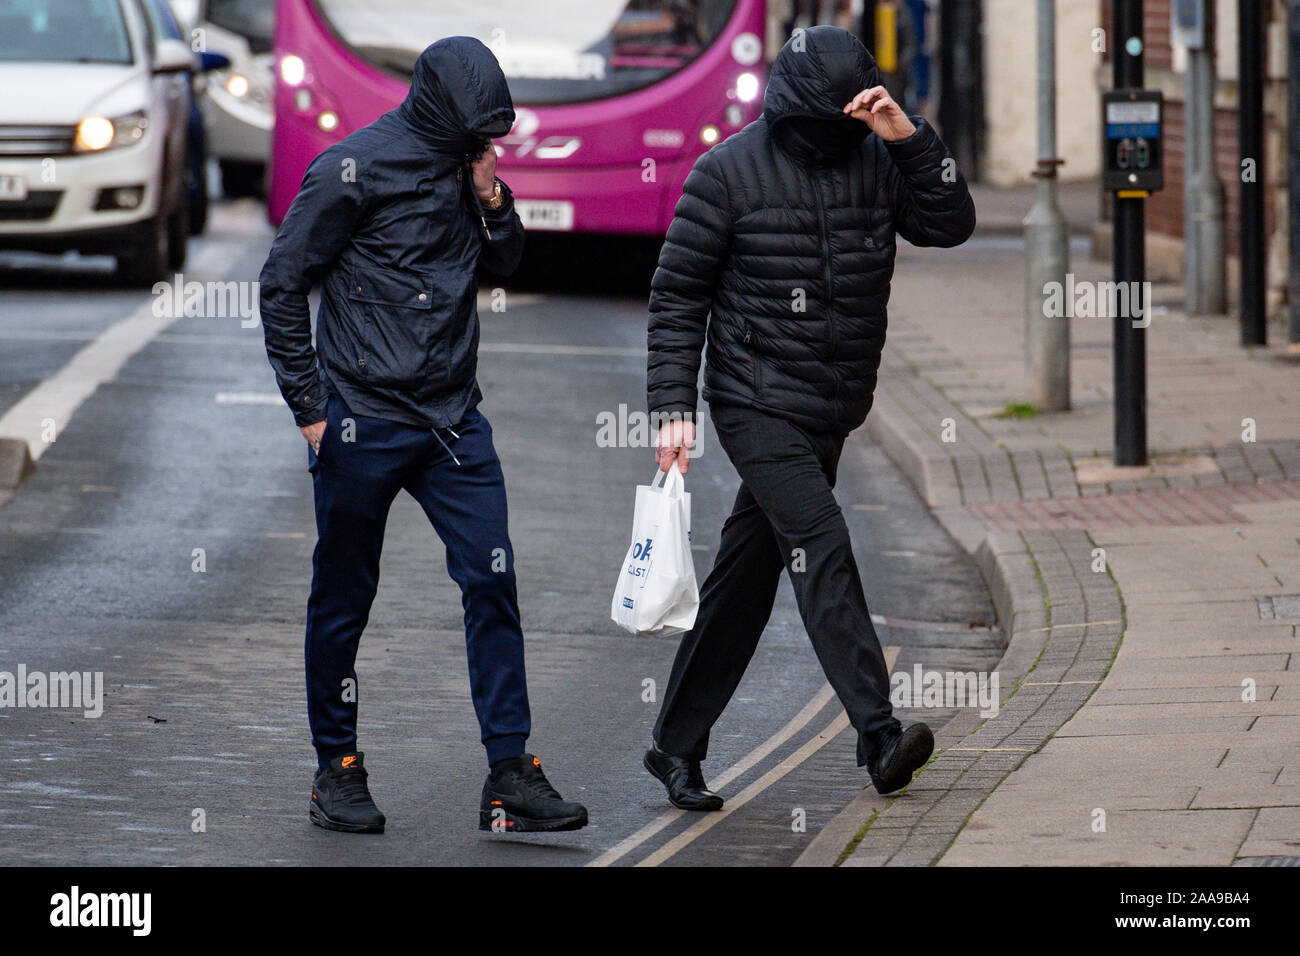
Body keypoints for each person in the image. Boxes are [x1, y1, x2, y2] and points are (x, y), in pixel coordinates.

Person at [258, 37, 587, 834]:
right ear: (439, 105)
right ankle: (336, 769)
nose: (489, 146)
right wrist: (312, 410)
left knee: (492, 581)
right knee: (344, 600)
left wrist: (493, 196)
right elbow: (281, 281)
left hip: (452, 423)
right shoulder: (352, 169)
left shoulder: (470, 162)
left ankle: (509, 771)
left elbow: (507, 264)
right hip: (361, 422)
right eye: (480, 133)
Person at [644, 26, 976, 810]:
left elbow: (950, 222)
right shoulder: (726, 173)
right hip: (756, 400)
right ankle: (879, 735)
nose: (842, 131)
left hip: (833, 404)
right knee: (821, 540)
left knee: (746, 579)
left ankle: (674, 747)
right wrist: (670, 406)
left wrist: (912, 138)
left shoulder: (877, 159)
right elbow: (678, 293)